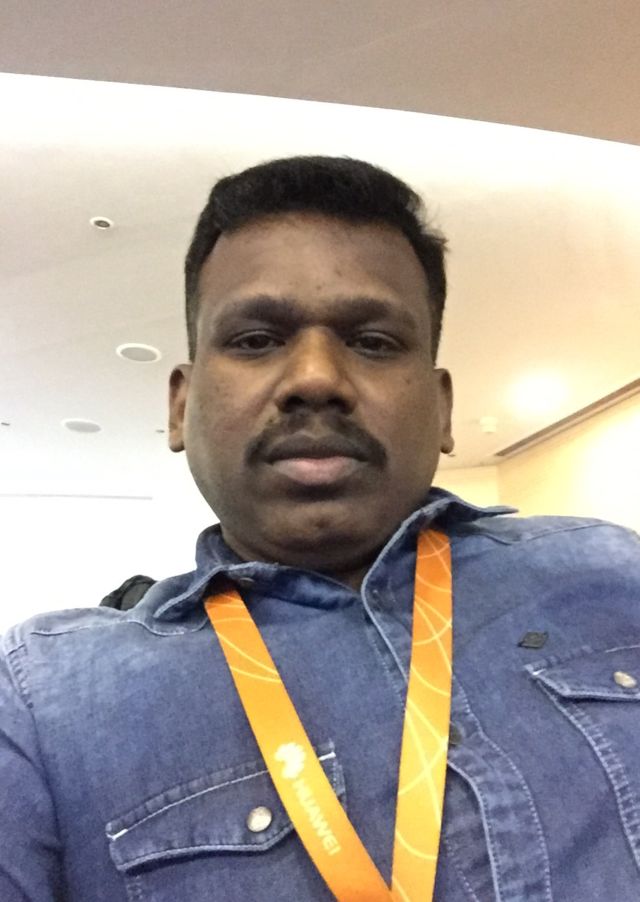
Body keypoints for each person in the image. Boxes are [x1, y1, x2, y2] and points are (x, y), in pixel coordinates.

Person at [1, 156, 639, 902]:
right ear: (180, 406)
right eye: (255, 339)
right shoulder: (40, 701)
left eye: (372, 342)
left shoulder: (612, 573)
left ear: (442, 409)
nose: (315, 379)